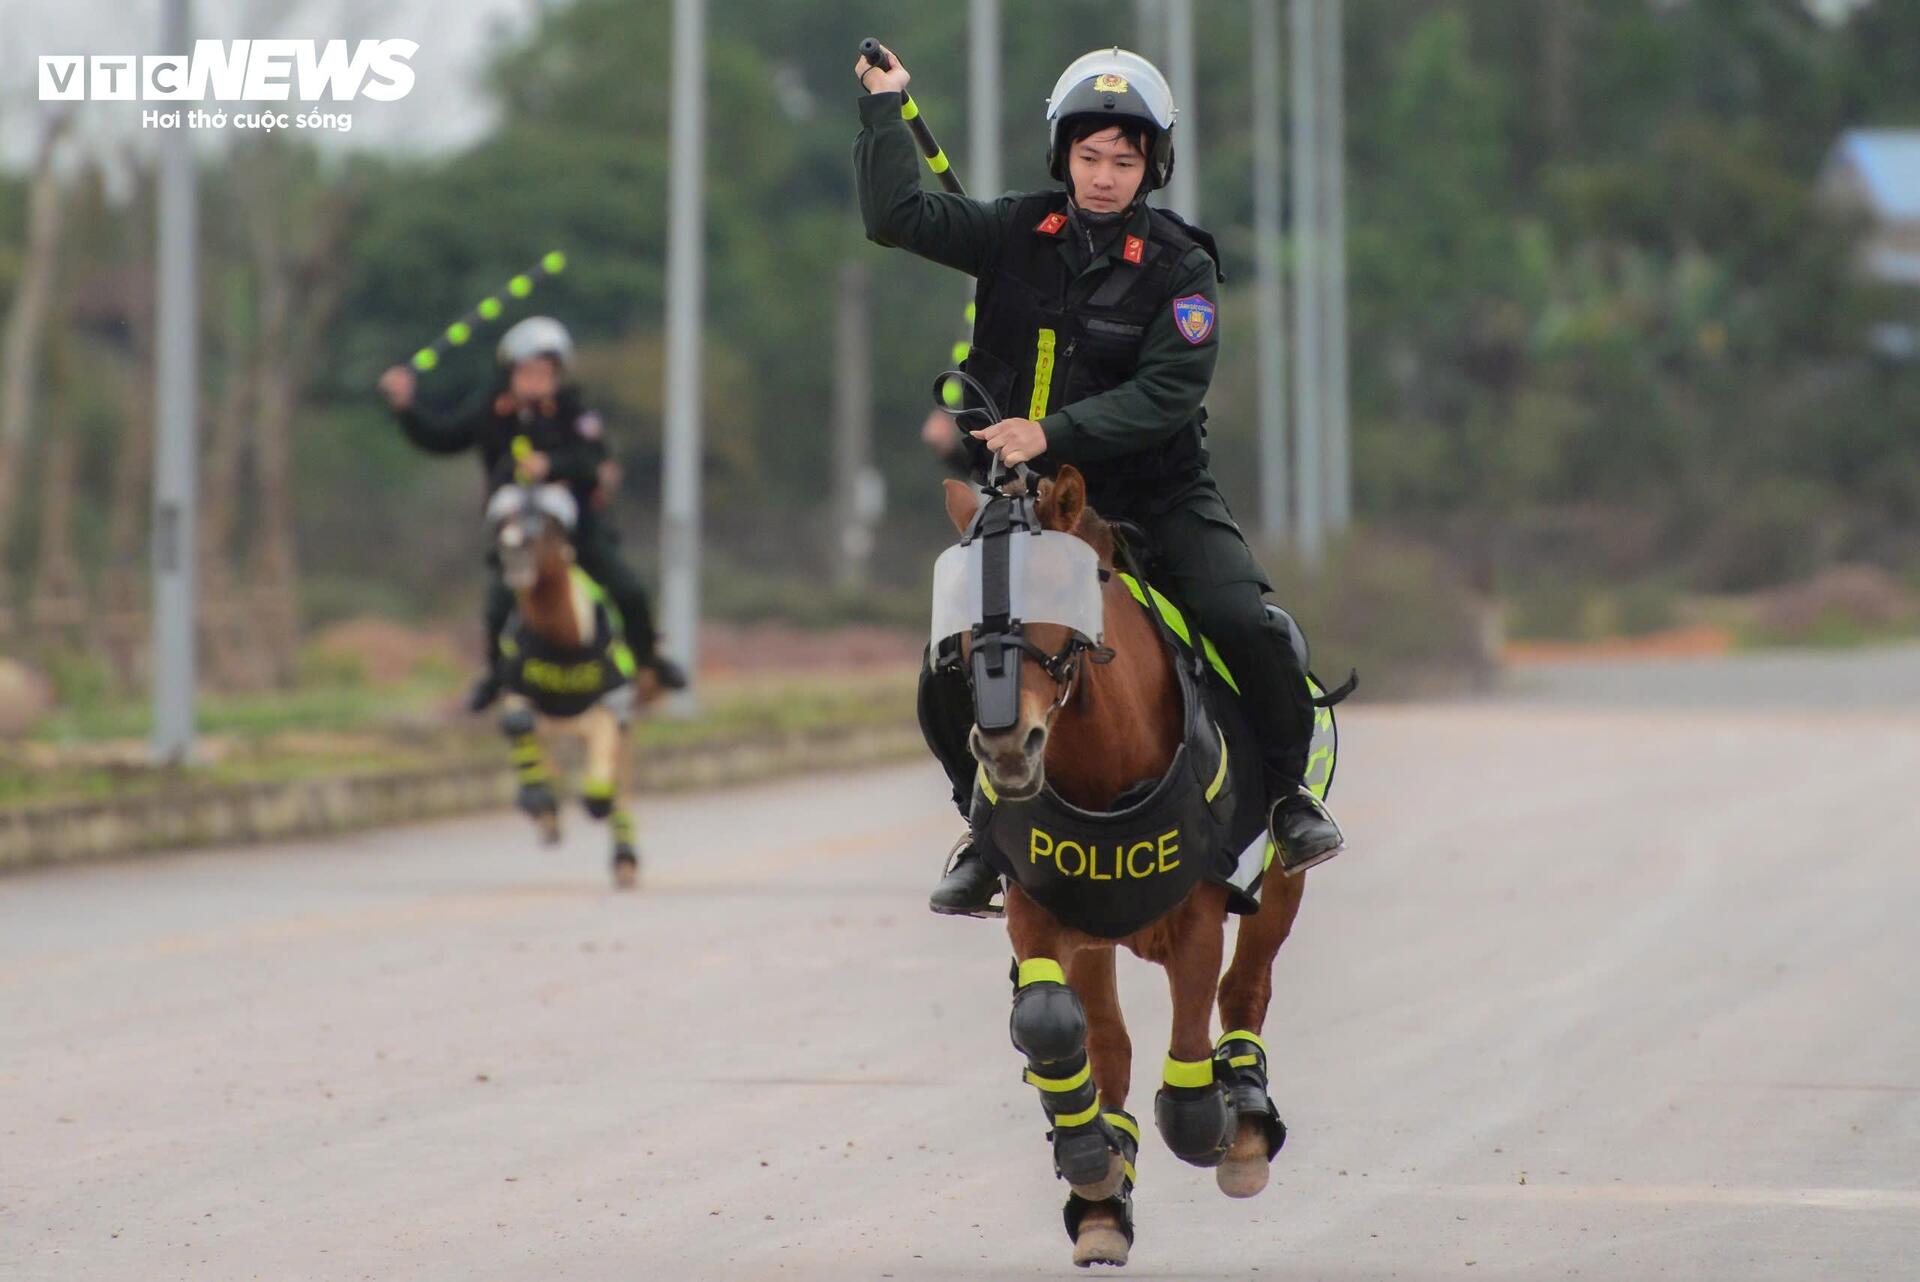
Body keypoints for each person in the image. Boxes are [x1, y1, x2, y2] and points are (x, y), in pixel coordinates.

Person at [854, 44, 1346, 917]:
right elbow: (897, 216)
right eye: (1090, 157)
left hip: (1155, 494)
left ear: (1152, 165)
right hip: (1025, 506)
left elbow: (1167, 393)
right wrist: (885, 111)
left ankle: (1286, 796)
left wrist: (1049, 430)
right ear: (1063, 157)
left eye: (1125, 160)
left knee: (1245, 620)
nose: (1105, 175)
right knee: (947, 659)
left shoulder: (1182, 269)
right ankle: (982, 825)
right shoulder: (1009, 230)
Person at [376, 316, 685, 711]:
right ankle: (495, 675)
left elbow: (594, 461)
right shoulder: (490, 408)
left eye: (546, 373)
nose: (538, 380)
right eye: (529, 372)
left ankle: (648, 662)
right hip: (518, 530)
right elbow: (442, 437)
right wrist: (407, 407)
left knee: (626, 588)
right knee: (497, 606)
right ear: (511, 372)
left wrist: (551, 465)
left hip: (574, 527)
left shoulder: (574, 411)